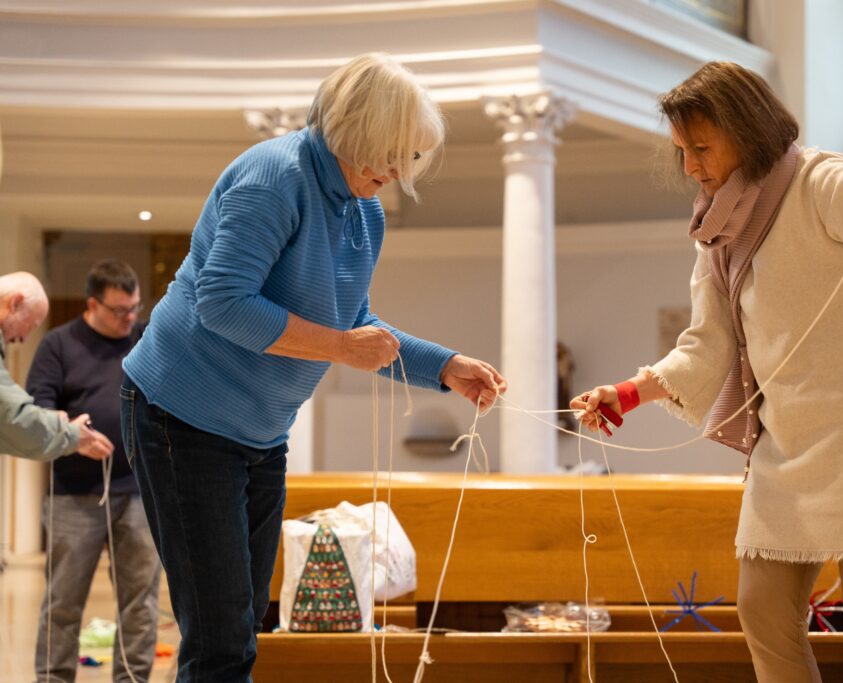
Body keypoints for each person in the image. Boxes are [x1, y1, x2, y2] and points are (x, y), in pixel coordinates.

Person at [572, 62, 843, 683]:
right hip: (791, 439)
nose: (692, 167)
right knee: (762, 610)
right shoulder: (716, 229)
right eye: (682, 152)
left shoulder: (822, 179)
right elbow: (707, 343)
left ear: (746, 128)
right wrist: (627, 392)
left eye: (702, 147)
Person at [120, 52, 506, 681]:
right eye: (391, 151)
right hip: (180, 417)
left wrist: (446, 367)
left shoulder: (364, 211)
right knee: (219, 638)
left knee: (244, 626)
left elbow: (356, 328)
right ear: (356, 129)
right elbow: (223, 304)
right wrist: (336, 346)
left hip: (259, 432)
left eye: (408, 156)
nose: (397, 170)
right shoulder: (274, 177)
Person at [28, 260, 160, 683]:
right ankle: (53, 677)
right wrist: (73, 435)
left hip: (141, 493)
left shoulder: (146, 339)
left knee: (140, 601)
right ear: (92, 305)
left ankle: (132, 678)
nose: (129, 319)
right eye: (119, 310)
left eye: (135, 308)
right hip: (74, 495)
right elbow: (36, 411)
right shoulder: (59, 345)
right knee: (64, 600)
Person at [0, 271, 112, 462]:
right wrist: (71, 433)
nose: (23, 339)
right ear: (15, 303)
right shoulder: (57, 344)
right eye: (30, 325)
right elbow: (10, 417)